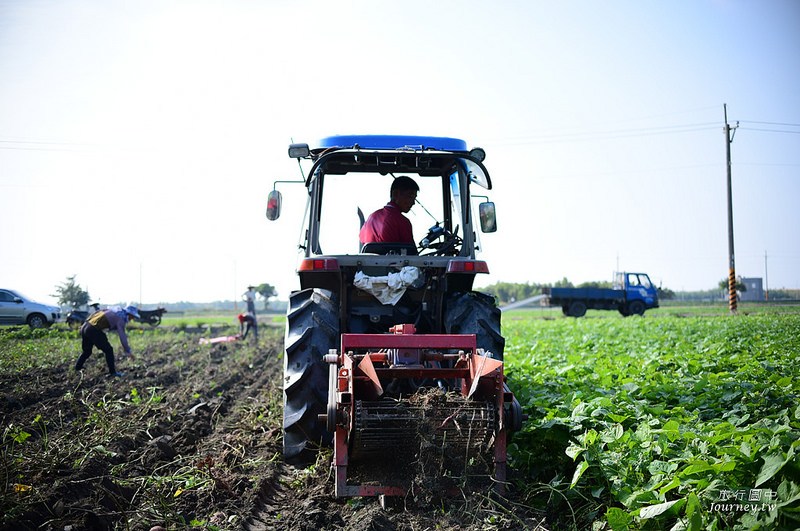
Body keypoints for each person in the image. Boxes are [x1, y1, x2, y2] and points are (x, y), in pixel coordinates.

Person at [74, 305, 140, 377]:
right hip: (93, 329)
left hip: (85, 326)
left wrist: (84, 326)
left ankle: (77, 367)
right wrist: (128, 351)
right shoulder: (121, 319)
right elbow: (122, 336)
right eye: (132, 316)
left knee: (87, 351)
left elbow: (96, 313)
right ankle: (113, 373)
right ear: (128, 314)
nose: (132, 318)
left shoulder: (113, 311)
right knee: (109, 350)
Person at [359, 176, 419, 246]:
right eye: (410, 196)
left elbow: (362, 240)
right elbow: (411, 251)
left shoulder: (371, 218)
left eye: (414, 198)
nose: (413, 202)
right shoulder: (402, 222)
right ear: (395, 194)